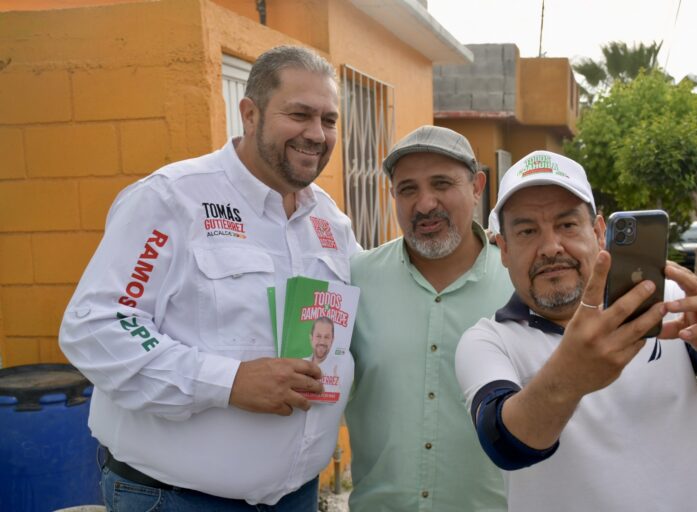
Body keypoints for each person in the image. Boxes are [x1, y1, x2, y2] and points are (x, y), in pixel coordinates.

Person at [59, 45, 359, 511]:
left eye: (329, 119)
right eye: (299, 114)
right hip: (175, 499)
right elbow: (96, 327)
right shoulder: (172, 199)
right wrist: (228, 381)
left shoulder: (331, 222)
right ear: (250, 113)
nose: (316, 134)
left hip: (296, 497)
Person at [455, 150, 697, 511]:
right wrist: (571, 373)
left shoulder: (661, 298)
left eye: (567, 225)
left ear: (599, 232)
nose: (551, 247)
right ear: (504, 249)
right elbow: (505, 444)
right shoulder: (488, 341)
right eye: (527, 231)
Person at [345, 125, 511, 511]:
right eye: (408, 189)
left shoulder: (518, 283)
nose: (424, 204)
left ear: (477, 186)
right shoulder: (355, 280)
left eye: (441, 183)